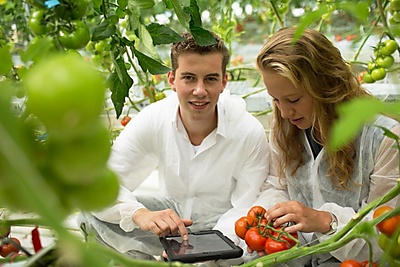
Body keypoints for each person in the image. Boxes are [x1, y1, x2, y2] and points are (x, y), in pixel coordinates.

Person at [78, 31, 269, 265]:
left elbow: (246, 209)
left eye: (210, 79)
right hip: (171, 223)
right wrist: (140, 214)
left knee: (254, 250)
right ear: (172, 80)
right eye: (189, 78)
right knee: (92, 214)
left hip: (223, 227)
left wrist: (202, 251)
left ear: (223, 82)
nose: (200, 91)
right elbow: (102, 184)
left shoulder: (247, 131)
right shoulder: (153, 119)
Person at [253, 27, 400, 266]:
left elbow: (384, 236)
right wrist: (271, 221)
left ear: (326, 86)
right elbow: (277, 185)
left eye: (293, 99)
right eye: (275, 99)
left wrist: (326, 221)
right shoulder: (286, 125)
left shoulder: (384, 138)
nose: (284, 111)